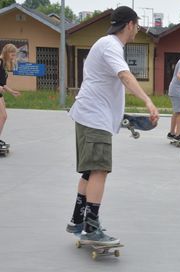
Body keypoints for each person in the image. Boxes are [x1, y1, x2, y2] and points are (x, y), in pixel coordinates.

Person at [66, 6, 159, 245]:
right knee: (99, 169)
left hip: (91, 115)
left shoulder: (106, 44)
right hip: (94, 119)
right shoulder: (111, 46)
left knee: (89, 170)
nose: (137, 29)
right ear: (129, 24)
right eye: (137, 25)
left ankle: (78, 219)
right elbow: (125, 76)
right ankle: (91, 226)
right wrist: (147, 100)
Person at [0, 43, 21, 148]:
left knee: (3, 117)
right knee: (3, 116)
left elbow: (3, 84)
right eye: (12, 55)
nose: (13, 57)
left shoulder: (3, 64)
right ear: (7, 53)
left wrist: (12, 92)